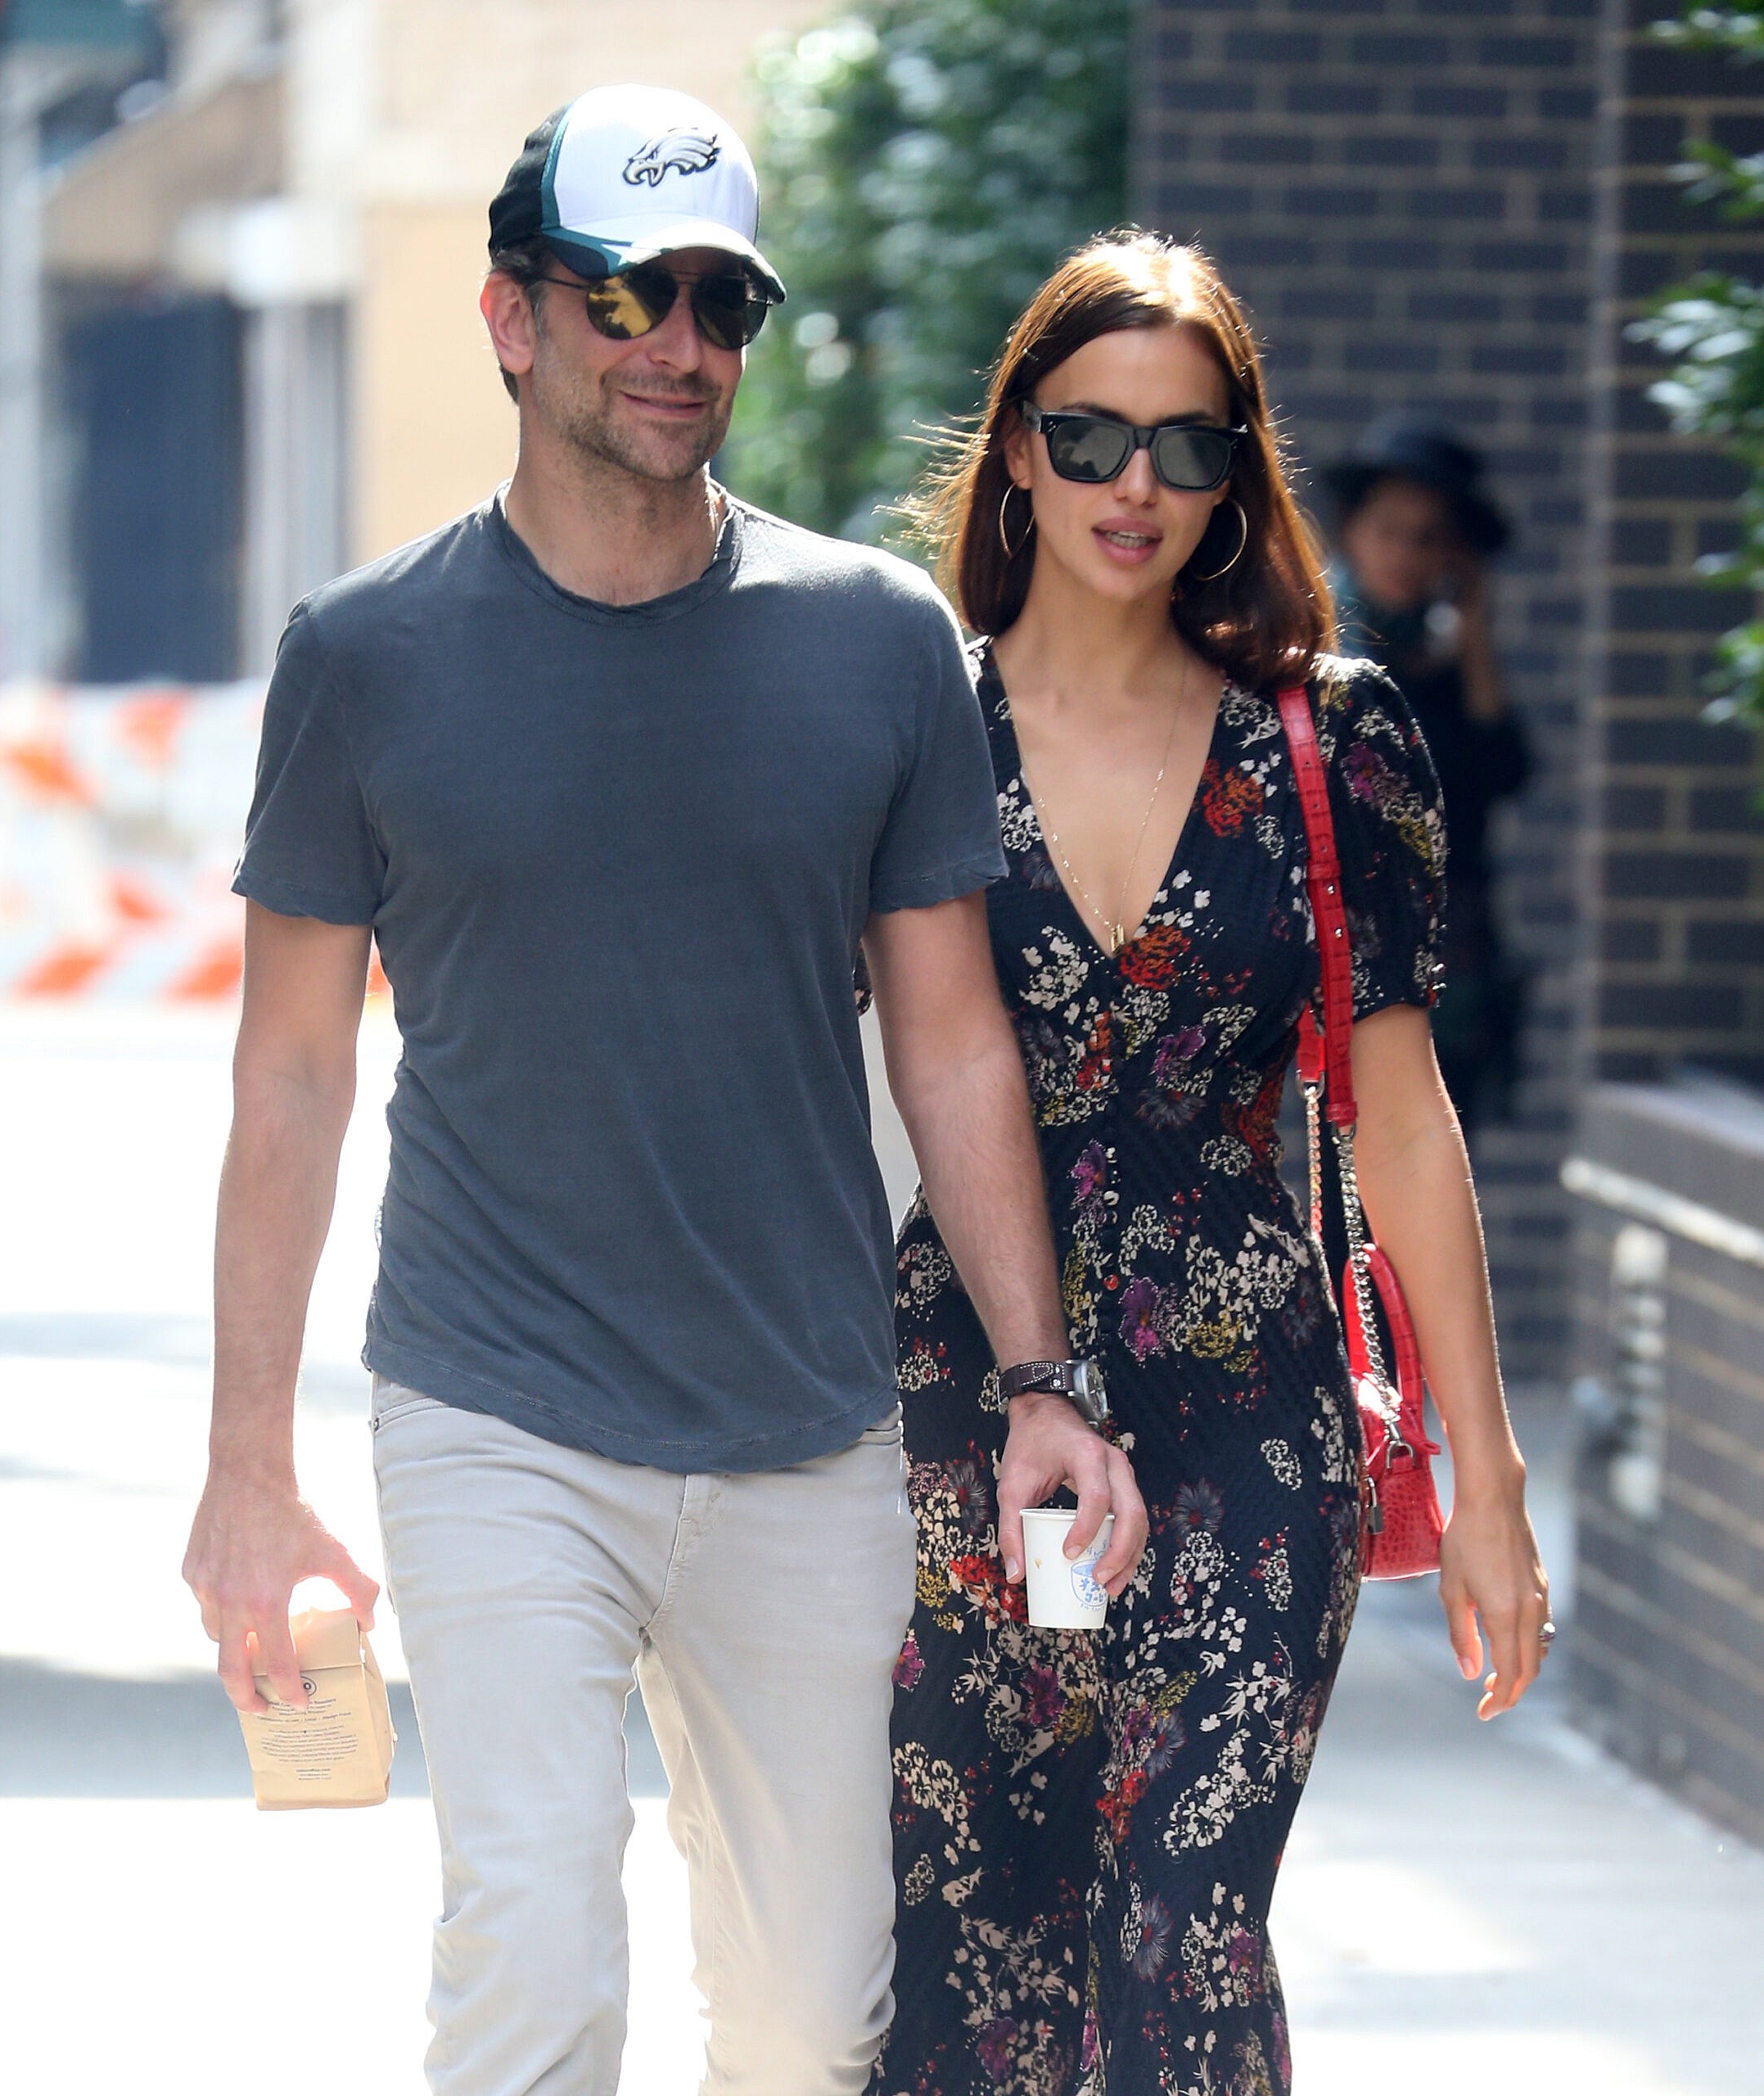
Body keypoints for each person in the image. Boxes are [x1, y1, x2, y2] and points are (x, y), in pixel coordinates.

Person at [180, 84, 1144, 2096]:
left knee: (804, 2018)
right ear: (510, 318)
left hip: (804, 1418)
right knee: (532, 1961)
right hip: (493, 1401)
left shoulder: (875, 644)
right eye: (621, 294)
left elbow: (950, 1032)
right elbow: (286, 1072)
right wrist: (249, 1464)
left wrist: (1046, 1377)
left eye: (717, 300)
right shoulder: (363, 655)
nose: (675, 344)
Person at [875, 233, 1552, 2096]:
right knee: (975, 1939)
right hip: (958, 1404)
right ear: (1016, 448)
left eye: (1186, 446)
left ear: (1237, 468)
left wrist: (1481, 1475)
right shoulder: (904, 714)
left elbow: (1401, 1120)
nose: (1133, 488)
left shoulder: (1329, 740)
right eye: (1089, 439)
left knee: (1181, 1918)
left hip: (1253, 1412)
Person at [1324, 419, 1532, 1129]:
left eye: (1426, 537)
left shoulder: (1452, 676)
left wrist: (1475, 631)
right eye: (1389, 530)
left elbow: (1505, 773)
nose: (1404, 555)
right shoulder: (1313, 653)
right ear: (1351, 531)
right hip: (1333, 946)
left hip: (1445, 953)